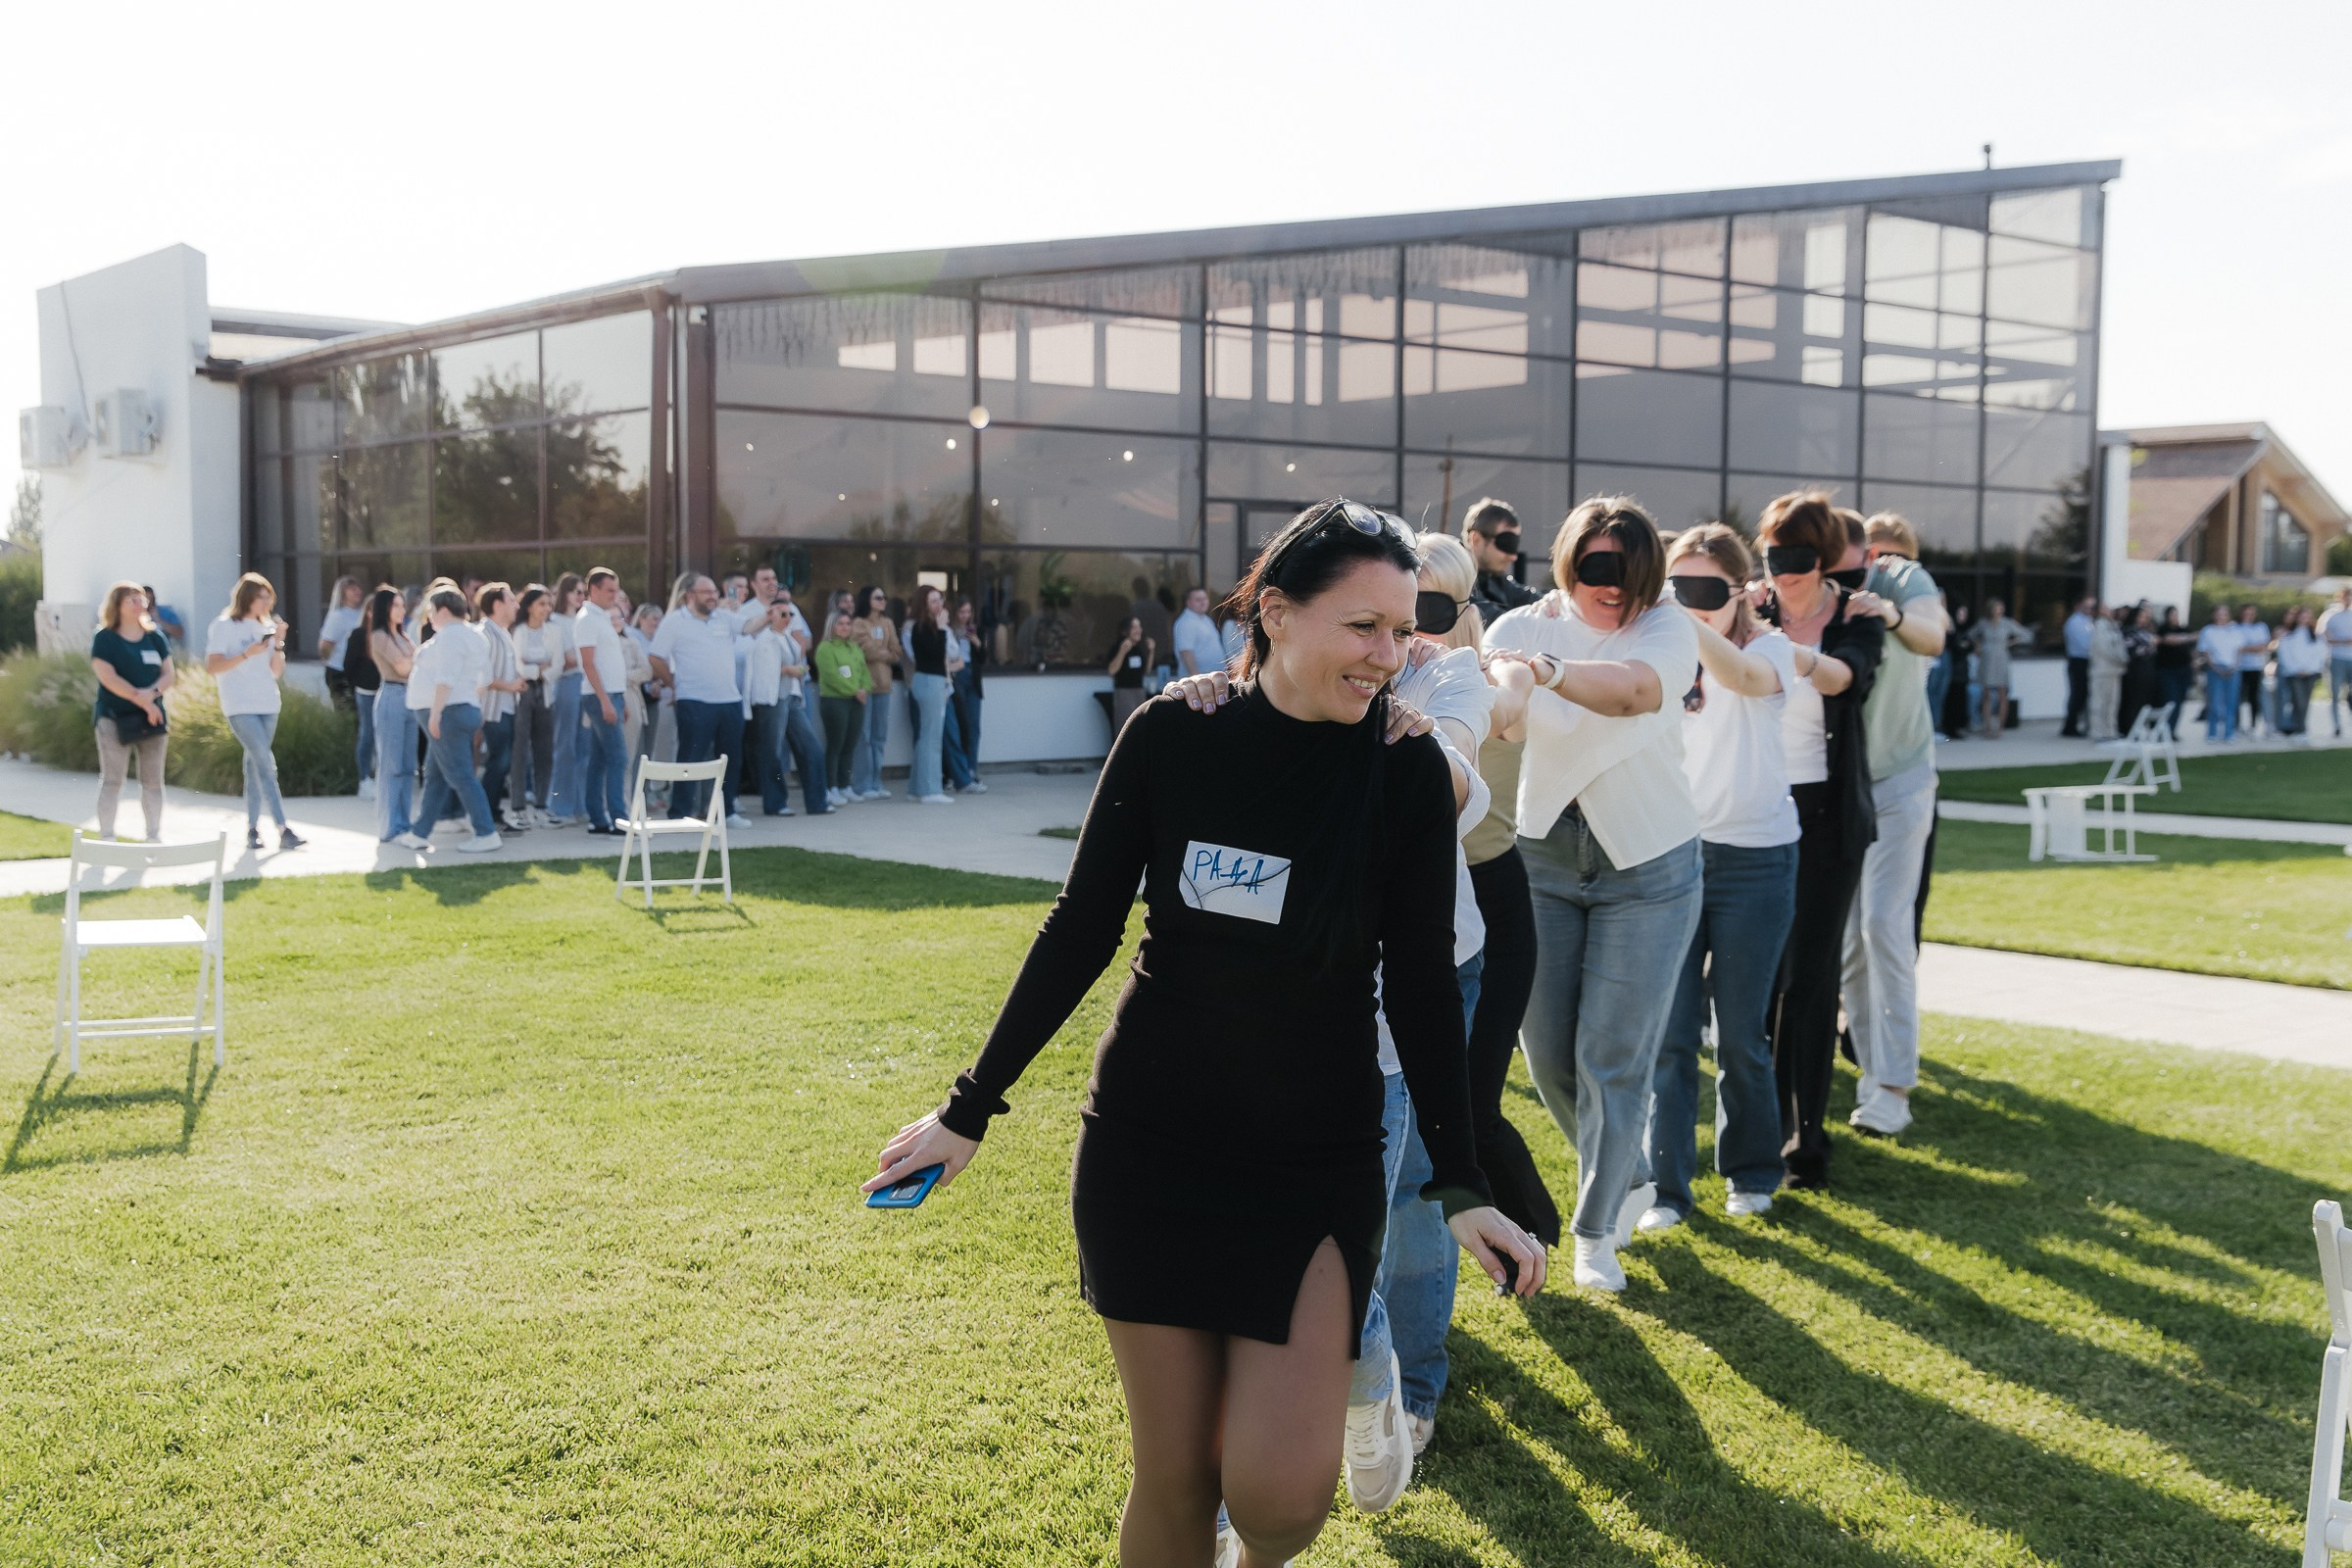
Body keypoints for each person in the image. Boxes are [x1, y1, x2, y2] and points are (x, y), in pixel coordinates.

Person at [864, 498, 1541, 1568]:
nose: (1390, 655)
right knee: (1175, 1475)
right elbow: (1081, 927)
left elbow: (1417, 981)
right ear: (1274, 611)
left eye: (1404, 630)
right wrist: (967, 1109)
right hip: (1153, 1140)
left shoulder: (1404, 768)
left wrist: (1459, 1181)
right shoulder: (1175, 734)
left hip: (1317, 1155)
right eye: (1363, 626)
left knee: (1280, 1499)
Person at [1156, 526, 1503, 1503]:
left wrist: (1381, 717)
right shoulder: (1269, 685)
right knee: (1247, 1263)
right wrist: (1218, 708)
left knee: (1391, 1226)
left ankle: (1400, 1386)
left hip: (1407, 1004)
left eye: (1422, 617)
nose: (1399, 641)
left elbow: (1455, 788)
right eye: (1375, 618)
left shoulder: (1443, 688)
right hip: (1268, 1022)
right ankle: (1219, 1501)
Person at [1485, 497, 1703, 1293]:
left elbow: (1633, 692)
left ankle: (1595, 1232)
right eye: (1597, 567)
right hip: (1541, 854)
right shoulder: (1517, 629)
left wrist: (1543, 674)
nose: (1614, 588)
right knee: (1546, 1055)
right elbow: (1501, 711)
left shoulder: (1667, 628)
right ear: (1568, 560)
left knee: (1612, 1058)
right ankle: (1627, 1165)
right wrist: (1507, 684)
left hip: (1648, 863)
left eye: (1631, 571)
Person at [1642, 524, 1797, 1228]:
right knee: (1670, 1038)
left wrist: (1674, 616)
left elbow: (1738, 677)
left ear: (1741, 592)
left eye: (1703, 591)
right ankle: (1668, 1191)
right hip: (1673, 856)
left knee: (1739, 1033)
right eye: (1675, 588)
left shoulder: (1771, 650)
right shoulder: (1660, 654)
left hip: (1756, 862)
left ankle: (1753, 1169)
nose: (1687, 604)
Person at [1754, 496, 1881, 1191]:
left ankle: (1804, 1141)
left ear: (1826, 558)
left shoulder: (1857, 618)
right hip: (1756, 806)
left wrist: (1784, 648)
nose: (1786, 573)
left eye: (1800, 559)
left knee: (1808, 979)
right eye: (1775, 558)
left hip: (1829, 816)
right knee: (1760, 978)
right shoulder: (1750, 610)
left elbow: (1849, 679)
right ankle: (1761, 1126)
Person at [392, 588, 503, 855]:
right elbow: (483, 679)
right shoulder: (472, 636)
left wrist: (437, 714)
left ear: (443, 610)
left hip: (447, 713)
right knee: (437, 775)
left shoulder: (452, 637)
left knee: (461, 775)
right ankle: (419, 832)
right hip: (459, 710)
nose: (429, 616)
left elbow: (446, 677)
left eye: (431, 611)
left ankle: (486, 832)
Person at [204, 571, 304, 853]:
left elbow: (275, 671)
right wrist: (247, 653)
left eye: (269, 596)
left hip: (267, 703)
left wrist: (279, 642)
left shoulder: (267, 626)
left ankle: (252, 829)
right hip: (239, 705)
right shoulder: (224, 626)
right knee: (265, 763)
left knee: (254, 765)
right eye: (262, 596)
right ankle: (283, 827)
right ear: (247, 597)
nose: (267, 602)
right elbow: (213, 666)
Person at [650, 574, 750, 826]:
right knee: (690, 758)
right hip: (693, 700)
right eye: (707, 592)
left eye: (715, 591)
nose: (713, 596)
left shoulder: (724, 618)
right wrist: (674, 684)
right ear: (690, 595)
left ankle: (725, 813)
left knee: (730, 759)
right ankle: (680, 813)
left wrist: (771, 616)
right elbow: (655, 657)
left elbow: (749, 626)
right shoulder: (674, 622)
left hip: (729, 700)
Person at [89, 581, 175, 843]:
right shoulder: (105, 638)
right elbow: (108, 677)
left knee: (152, 781)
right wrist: (144, 701)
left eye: (142, 599)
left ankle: (153, 835)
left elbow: (169, 673)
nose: (140, 604)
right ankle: (107, 837)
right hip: (114, 717)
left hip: (152, 719)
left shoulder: (155, 637)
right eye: (132, 600)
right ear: (117, 606)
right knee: (113, 780)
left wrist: (152, 696)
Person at [745, 597, 832, 815]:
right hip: (772, 700)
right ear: (771, 615)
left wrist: (795, 670)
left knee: (810, 747)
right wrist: (788, 670)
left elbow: (798, 666)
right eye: (782, 614)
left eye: (791, 615)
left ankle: (817, 801)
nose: (787, 619)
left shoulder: (789, 640)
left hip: (792, 697)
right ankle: (776, 804)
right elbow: (765, 673)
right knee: (771, 752)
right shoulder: (763, 640)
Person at [573, 568, 634, 837]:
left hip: (612, 695)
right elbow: (588, 664)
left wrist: (619, 700)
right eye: (609, 590)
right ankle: (619, 818)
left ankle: (598, 818)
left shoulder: (600, 618)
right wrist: (606, 702)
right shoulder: (587, 619)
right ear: (594, 590)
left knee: (600, 760)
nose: (614, 595)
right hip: (602, 696)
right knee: (618, 758)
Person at [364, 587, 417, 843]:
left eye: (402, 605)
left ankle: (404, 823)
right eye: (396, 605)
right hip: (392, 698)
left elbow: (413, 664)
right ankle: (390, 826)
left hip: (410, 698)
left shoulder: (405, 638)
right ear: (385, 608)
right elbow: (403, 666)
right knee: (392, 765)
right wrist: (418, 659)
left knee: (408, 767)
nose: (401, 610)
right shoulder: (379, 636)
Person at [507, 586, 562, 830]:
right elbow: (518, 665)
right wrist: (537, 668)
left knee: (544, 750)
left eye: (549, 604)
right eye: (542, 604)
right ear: (529, 606)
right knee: (519, 750)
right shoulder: (518, 632)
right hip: (523, 693)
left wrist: (540, 670)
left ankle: (542, 805)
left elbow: (558, 664)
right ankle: (518, 807)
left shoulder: (554, 632)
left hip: (545, 693)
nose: (546, 609)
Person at [475, 583, 525, 828]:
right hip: (493, 711)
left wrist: (514, 685)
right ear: (497, 605)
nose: (517, 605)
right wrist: (511, 686)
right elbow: (481, 676)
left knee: (501, 763)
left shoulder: (503, 633)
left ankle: (490, 814)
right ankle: (486, 815)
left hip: (506, 709)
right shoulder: (485, 634)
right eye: (511, 601)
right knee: (498, 762)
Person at [850, 585, 903, 801]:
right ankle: (862, 784)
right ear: (867, 600)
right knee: (864, 736)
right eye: (878, 597)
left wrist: (882, 652)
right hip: (865, 686)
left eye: (884, 597)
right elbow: (864, 649)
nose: (883, 601)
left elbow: (897, 652)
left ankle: (876, 782)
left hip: (884, 686)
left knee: (879, 737)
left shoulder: (888, 623)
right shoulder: (858, 623)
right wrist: (885, 652)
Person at [905, 584, 956, 806]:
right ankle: (930, 789)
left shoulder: (930, 627)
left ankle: (917, 788)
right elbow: (934, 655)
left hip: (932, 681)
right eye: (933, 601)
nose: (939, 605)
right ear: (923, 604)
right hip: (928, 680)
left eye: (940, 600)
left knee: (927, 735)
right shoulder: (920, 628)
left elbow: (951, 654)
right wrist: (943, 628)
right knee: (931, 737)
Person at [815, 610, 872, 807]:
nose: (845, 627)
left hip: (856, 701)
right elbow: (831, 676)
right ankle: (830, 787)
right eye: (840, 623)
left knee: (850, 745)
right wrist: (854, 690)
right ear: (832, 626)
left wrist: (865, 688)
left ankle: (844, 785)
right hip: (835, 701)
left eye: (848, 623)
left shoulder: (854, 647)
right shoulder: (825, 648)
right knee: (835, 745)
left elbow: (864, 671)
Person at [317, 574, 368, 790]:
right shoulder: (338, 617)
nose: (357, 592)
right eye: (352, 589)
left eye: (358, 589)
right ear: (343, 593)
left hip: (355, 673)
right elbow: (325, 646)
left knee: (359, 721)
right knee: (347, 718)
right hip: (339, 673)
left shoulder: (360, 614)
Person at [544, 572, 587, 824]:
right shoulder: (556, 621)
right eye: (576, 592)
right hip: (568, 684)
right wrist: (589, 657)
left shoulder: (585, 619)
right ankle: (560, 806)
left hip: (586, 683)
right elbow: (568, 660)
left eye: (583, 592)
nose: (580, 597)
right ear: (565, 593)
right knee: (565, 746)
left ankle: (581, 805)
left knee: (586, 747)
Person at [1463, 498, 1538, 625]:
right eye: (1505, 543)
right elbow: (1494, 620)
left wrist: (1554, 603)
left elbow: (1532, 599)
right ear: (1476, 540)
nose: (1513, 557)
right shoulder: (1454, 579)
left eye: (1514, 544)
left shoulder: (1498, 581)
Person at [1973, 598, 2031, 737]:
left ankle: (2000, 728)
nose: (1999, 610)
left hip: (2001, 659)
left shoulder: (2007, 623)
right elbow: (1971, 635)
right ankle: (1987, 725)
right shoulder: (1983, 624)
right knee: (1986, 693)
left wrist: (2011, 642)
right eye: (1997, 608)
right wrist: (1978, 646)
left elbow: (2026, 635)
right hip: (1986, 659)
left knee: (2002, 692)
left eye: (2001, 608)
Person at [948, 599, 988, 795]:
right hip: (956, 676)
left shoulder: (976, 629)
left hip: (973, 676)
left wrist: (977, 642)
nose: (965, 616)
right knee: (960, 725)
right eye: (961, 612)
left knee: (974, 725)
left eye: (968, 612)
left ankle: (971, 768)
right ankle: (957, 771)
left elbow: (984, 658)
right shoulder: (948, 629)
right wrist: (956, 636)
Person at [2277, 606, 2327, 738]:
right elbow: (2285, 655)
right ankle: (2300, 729)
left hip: (2310, 673)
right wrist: (2296, 669)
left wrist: (2309, 669)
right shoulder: (2288, 636)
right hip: (2294, 674)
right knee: (2298, 701)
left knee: (2305, 702)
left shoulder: (2316, 636)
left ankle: (2300, 728)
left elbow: (2320, 655)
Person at [2196, 604, 2242, 743]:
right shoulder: (2208, 631)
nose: (2222, 616)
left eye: (2224, 613)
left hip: (2232, 669)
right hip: (2215, 669)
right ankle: (2212, 732)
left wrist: (2234, 667)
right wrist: (2216, 668)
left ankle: (2229, 733)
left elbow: (2239, 651)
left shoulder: (2235, 631)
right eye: (2219, 613)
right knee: (2214, 703)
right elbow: (2206, 652)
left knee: (2231, 702)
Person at [1105, 615, 1156, 733]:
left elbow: (1146, 671)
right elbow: (1112, 670)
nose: (1138, 630)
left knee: (1140, 725)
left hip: (1139, 691)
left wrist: (1151, 651)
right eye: (1134, 627)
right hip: (1124, 692)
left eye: (1139, 626)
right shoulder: (1117, 647)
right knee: (1125, 727)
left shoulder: (1138, 649)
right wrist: (1122, 651)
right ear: (1125, 630)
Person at [2152, 606, 2195, 737]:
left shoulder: (2184, 629)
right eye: (2172, 614)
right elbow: (2169, 640)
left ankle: (2172, 731)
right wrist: (2188, 637)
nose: (2174, 617)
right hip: (2167, 671)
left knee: (2179, 701)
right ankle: (2164, 730)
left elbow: (2193, 647)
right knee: (2170, 700)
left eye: (2176, 614)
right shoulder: (2163, 629)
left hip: (2184, 670)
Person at [2087, 602, 2127, 741]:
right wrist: (2121, 658)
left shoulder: (2113, 626)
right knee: (2099, 702)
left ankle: (2110, 731)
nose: (2109, 610)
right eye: (2105, 608)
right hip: (2102, 671)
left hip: (2114, 671)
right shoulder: (2100, 626)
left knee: (2112, 703)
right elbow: (2104, 649)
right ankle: (2097, 732)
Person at [2235, 604, 2275, 738]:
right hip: (2239, 667)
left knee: (2254, 697)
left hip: (2255, 667)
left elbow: (2263, 646)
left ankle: (2253, 724)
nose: (2249, 615)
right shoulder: (2234, 627)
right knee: (2237, 697)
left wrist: (2245, 648)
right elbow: (2235, 647)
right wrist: (2252, 647)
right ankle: (2237, 725)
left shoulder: (2260, 627)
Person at [2120, 606, 2158, 736]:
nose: (2144, 619)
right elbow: (2132, 651)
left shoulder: (2143, 631)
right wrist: (2149, 646)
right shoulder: (2128, 631)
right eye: (2141, 616)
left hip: (2146, 670)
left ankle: (2139, 727)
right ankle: (2129, 729)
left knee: (2142, 700)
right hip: (2135, 670)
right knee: (2133, 700)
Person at [2061, 596, 2096, 737]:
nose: (2089, 609)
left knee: (2082, 695)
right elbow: (2085, 644)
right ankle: (2070, 727)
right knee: (2077, 694)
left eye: (2091, 607)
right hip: (2078, 661)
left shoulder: (2088, 621)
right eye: (2086, 606)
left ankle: (2077, 725)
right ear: (2078, 605)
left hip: (2085, 661)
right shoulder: (2075, 622)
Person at [1939, 603, 1977, 740]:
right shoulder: (1951, 630)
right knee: (1952, 699)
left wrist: (1964, 646)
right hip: (1952, 671)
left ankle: (1959, 726)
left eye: (1965, 614)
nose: (1963, 616)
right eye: (1960, 613)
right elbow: (1955, 647)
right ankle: (1949, 727)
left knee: (1961, 699)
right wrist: (1962, 646)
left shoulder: (1966, 630)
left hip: (1963, 671)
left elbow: (1970, 646)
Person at [1171, 585, 1223, 679]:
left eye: (1205, 598)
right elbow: (1186, 654)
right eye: (1198, 600)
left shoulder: (1205, 619)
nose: (1203, 602)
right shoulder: (1186, 623)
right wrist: (1198, 681)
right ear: (1188, 603)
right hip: (1200, 685)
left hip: (1213, 681)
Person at [2322, 587, 2352, 738]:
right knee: (2335, 694)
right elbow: (2326, 636)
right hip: (2337, 658)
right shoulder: (2330, 616)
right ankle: (2337, 725)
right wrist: (2345, 641)